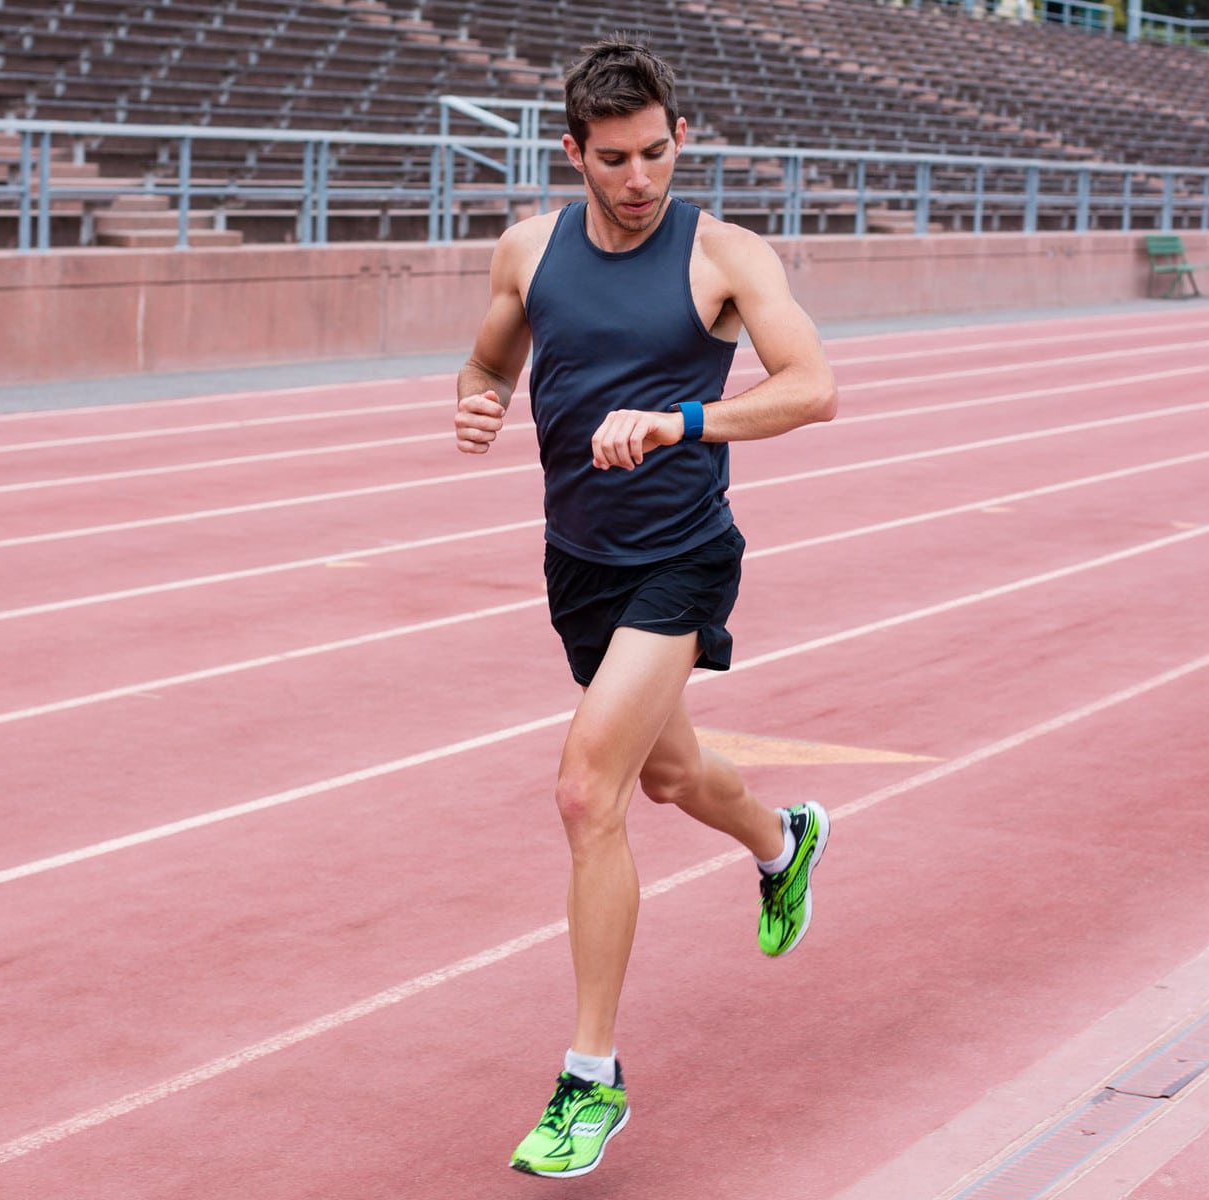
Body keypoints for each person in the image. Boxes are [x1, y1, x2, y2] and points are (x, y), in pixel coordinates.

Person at [453, 36, 838, 1179]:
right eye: (613, 159)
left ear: (681, 140)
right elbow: (484, 367)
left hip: (681, 556)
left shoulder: (721, 254)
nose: (639, 179)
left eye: (657, 154)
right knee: (667, 777)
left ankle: (589, 1079)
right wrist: (473, 406)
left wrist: (683, 420)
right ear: (573, 152)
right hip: (578, 563)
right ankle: (784, 842)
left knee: (587, 791)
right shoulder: (527, 250)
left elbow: (814, 389)